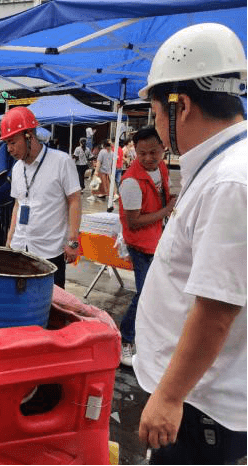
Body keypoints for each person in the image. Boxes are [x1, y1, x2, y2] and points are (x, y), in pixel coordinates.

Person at [134, 23, 246, 464]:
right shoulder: (222, 167)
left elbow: (217, 309)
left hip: (200, 408)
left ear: (182, 106)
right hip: (194, 398)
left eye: (157, 113)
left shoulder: (231, 181)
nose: (157, 128)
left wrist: (169, 395)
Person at [3, 106, 82, 289]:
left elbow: (75, 200)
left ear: (29, 135)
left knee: (52, 305)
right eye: (7, 143)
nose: (9, 149)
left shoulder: (61, 162)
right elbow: (18, 204)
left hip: (49, 250)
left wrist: (73, 240)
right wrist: (9, 239)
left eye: (13, 142)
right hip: (20, 248)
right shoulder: (16, 168)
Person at [117, 126, 175, 366]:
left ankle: (149, 339)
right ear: (135, 153)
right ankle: (125, 340)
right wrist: (166, 210)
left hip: (158, 239)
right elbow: (133, 222)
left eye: (153, 152)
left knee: (159, 292)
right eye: (142, 154)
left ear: (163, 148)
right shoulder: (131, 182)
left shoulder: (162, 168)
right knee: (143, 294)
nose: (148, 158)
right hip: (141, 245)